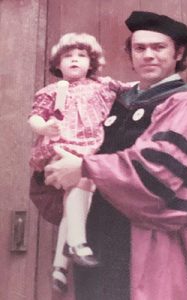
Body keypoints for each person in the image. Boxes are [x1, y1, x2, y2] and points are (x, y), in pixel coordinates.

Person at [44, 11, 187, 300]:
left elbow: (160, 170)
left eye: (158, 47)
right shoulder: (116, 102)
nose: (148, 55)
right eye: (140, 48)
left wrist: (85, 167)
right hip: (100, 236)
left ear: (178, 52)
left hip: (157, 245)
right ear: (130, 54)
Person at [28, 32, 133, 293]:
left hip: (90, 147)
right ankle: (76, 242)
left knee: (78, 200)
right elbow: (35, 118)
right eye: (68, 56)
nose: (74, 60)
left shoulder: (103, 86)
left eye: (81, 55)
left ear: (91, 62)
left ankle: (60, 265)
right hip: (62, 145)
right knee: (80, 187)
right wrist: (45, 127)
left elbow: (133, 88)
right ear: (58, 64)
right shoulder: (52, 91)